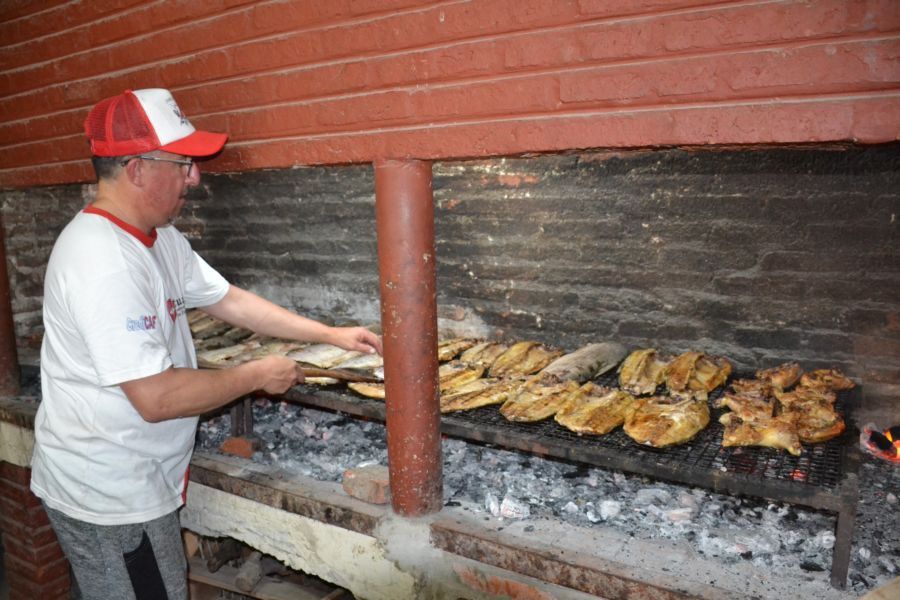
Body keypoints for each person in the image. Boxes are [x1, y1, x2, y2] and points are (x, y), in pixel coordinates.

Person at [29, 88, 383, 600]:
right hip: (109, 497)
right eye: (183, 163)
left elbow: (229, 300)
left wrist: (329, 335)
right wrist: (258, 375)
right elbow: (157, 398)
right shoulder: (102, 261)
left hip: (138, 479)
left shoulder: (159, 237)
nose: (195, 176)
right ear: (137, 169)